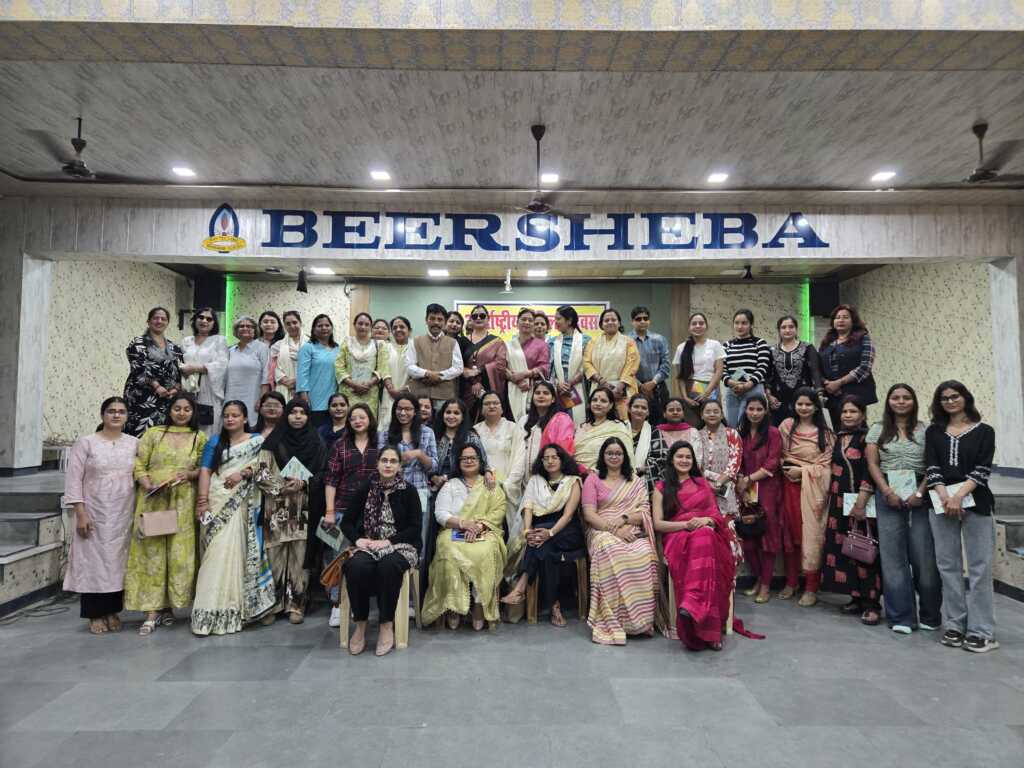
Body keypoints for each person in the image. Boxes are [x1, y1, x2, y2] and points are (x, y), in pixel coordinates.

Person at [125, 394, 207, 635]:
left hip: (183, 501)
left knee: (178, 554)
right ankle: (152, 611)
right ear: (169, 410)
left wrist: (188, 475)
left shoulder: (199, 437)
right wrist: (147, 483)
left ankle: (170, 606)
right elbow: (139, 463)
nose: (181, 413)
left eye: (187, 409)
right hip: (154, 500)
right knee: (152, 553)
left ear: (193, 412)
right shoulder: (153, 434)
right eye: (177, 408)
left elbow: (204, 468)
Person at [925, 381, 998, 653]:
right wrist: (945, 496)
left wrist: (958, 496)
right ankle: (954, 625)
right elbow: (931, 466)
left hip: (976, 503)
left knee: (980, 568)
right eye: (944, 398)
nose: (950, 401)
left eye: (954, 396)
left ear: (965, 397)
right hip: (941, 502)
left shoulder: (985, 431)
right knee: (948, 566)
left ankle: (981, 631)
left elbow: (982, 470)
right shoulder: (934, 432)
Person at [192, 401, 275, 635]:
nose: (230, 419)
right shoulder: (215, 442)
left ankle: (238, 610)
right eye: (227, 415)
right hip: (218, 501)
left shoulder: (257, 441)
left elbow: (266, 468)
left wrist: (244, 473)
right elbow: (206, 471)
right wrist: (202, 501)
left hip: (245, 504)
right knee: (215, 554)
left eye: (235, 415)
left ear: (245, 419)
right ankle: (207, 612)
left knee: (239, 554)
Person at [865, 383, 942, 635]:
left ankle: (930, 615)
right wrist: (886, 491)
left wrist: (920, 492)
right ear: (888, 401)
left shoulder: (927, 430)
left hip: (921, 493)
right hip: (888, 493)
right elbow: (873, 464)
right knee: (893, 558)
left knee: (924, 557)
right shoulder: (877, 429)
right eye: (895, 397)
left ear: (914, 401)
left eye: (906, 397)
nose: (900, 401)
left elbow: (934, 464)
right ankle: (901, 616)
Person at [63, 397, 139, 635]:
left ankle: (113, 610)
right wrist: (80, 513)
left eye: (121, 411)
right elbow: (73, 480)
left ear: (127, 416)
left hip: (124, 513)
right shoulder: (86, 443)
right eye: (111, 411)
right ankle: (94, 613)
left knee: (117, 563)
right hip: (94, 511)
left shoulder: (134, 443)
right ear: (102, 414)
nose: (116, 415)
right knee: (93, 562)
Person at [653, 441, 738, 651]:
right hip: (677, 535)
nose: (684, 460)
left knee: (705, 536)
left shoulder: (702, 484)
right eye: (679, 456)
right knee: (704, 538)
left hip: (704, 535)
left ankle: (692, 604)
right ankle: (711, 632)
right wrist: (687, 525)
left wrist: (705, 521)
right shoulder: (661, 488)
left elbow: (715, 516)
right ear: (672, 459)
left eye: (688, 457)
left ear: (693, 461)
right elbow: (658, 524)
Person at [340, 446, 423, 655]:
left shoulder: (409, 491)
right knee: (355, 566)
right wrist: (358, 540)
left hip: (401, 545)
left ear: (399, 466)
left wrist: (388, 542)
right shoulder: (365, 488)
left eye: (393, 461)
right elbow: (346, 522)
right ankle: (360, 624)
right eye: (384, 460)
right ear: (377, 464)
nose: (388, 465)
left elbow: (414, 529)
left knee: (388, 566)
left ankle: (386, 625)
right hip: (370, 544)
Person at [255, 399, 328, 625]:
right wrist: (281, 488)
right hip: (276, 507)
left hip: (304, 508)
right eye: (293, 412)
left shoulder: (317, 442)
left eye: (302, 412)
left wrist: (305, 483)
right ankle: (272, 605)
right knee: (274, 557)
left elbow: (324, 473)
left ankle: (297, 604)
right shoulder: (273, 441)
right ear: (286, 415)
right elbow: (261, 472)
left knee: (299, 557)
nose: (297, 416)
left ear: (308, 416)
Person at [421, 444, 508, 631]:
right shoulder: (450, 485)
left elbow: (499, 510)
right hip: (454, 530)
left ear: (480, 461)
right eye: (464, 458)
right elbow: (440, 513)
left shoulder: (491, 484)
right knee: (447, 547)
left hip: (484, 531)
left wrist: (478, 526)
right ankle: (453, 605)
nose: (469, 461)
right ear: (458, 462)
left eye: (473, 458)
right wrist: (463, 523)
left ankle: (479, 604)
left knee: (486, 550)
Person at [580, 436, 658, 645]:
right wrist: (614, 530)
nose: (614, 457)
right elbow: (589, 515)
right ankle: (614, 619)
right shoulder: (593, 479)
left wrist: (624, 519)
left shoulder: (635, 481)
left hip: (631, 528)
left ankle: (640, 622)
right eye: (610, 453)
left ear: (625, 456)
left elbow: (644, 511)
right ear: (603, 456)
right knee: (609, 548)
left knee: (645, 552)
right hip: (601, 529)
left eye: (618, 453)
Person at [501, 444, 585, 626]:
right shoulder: (535, 481)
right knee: (544, 549)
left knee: (541, 539)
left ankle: (521, 586)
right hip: (541, 532)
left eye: (554, 457)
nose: (550, 461)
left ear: (562, 459)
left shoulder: (573, 481)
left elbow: (568, 515)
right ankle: (555, 606)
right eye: (546, 458)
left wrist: (551, 532)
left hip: (567, 531)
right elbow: (528, 507)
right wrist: (527, 531)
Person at [820, 397, 882, 625]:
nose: (847, 415)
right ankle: (855, 597)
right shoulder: (838, 437)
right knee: (847, 550)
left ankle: (872, 604)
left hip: (861, 503)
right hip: (839, 504)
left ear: (862, 414)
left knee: (866, 551)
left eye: (853, 411)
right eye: (844, 411)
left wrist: (861, 503)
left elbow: (870, 471)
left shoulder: (868, 438)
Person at [323, 403, 379, 626]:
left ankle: (358, 605)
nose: (357, 421)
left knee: (363, 561)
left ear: (370, 419)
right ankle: (337, 605)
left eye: (362, 417)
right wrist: (329, 511)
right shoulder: (340, 445)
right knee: (338, 557)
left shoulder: (380, 444)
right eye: (353, 418)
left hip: (372, 511)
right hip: (342, 510)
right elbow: (331, 479)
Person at [779, 387, 835, 607]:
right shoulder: (786, 426)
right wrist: (789, 469)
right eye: (799, 404)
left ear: (816, 407)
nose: (803, 408)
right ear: (794, 405)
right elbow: (779, 454)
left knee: (811, 536)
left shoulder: (825, 433)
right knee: (790, 535)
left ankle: (811, 587)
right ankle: (791, 582)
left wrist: (801, 471)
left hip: (813, 491)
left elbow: (826, 467)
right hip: (787, 488)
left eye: (808, 404)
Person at [736, 395, 784, 604]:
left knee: (767, 539)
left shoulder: (773, 433)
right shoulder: (741, 433)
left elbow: (773, 462)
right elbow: (737, 462)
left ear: (765, 411)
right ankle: (757, 579)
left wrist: (749, 480)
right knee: (748, 540)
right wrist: (743, 487)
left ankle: (765, 585)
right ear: (745, 410)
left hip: (768, 490)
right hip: (745, 491)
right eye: (751, 409)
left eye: (759, 409)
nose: (754, 413)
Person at [381, 393, 438, 552]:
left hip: (419, 491)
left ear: (415, 411)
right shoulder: (385, 433)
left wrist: (419, 454)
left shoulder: (427, 433)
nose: (403, 412)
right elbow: (380, 464)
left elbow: (434, 466)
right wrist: (398, 462)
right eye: (399, 409)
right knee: (391, 539)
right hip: (391, 493)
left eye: (408, 409)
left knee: (418, 540)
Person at [123, 306, 183, 436]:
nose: (159, 321)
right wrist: (157, 387)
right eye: (156, 318)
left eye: (163, 319)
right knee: (140, 434)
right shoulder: (138, 342)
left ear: (167, 323)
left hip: (168, 398)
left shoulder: (175, 347)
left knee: (162, 435)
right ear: (148, 321)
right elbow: (139, 367)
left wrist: (176, 388)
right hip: (142, 396)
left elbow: (181, 370)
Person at [476, 392, 527, 540]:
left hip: (508, 486)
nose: (491, 406)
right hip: (483, 486)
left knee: (510, 531)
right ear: (481, 408)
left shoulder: (513, 428)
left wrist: (508, 484)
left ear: (502, 407)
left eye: (495, 403)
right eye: (487, 403)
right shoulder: (475, 430)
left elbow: (520, 458)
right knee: (485, 529)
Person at [819, 304, 877, 427]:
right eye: (837, 317)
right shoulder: (827, 342)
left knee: (856, 428)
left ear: (853, 321)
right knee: (836, 429)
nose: (841, 320)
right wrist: (827, 383)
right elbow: (817, 368)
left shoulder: (863, 338)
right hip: (831, 394)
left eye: (845, 317)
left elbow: (865, 367)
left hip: (855, 392)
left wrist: (839, 383)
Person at [689, 400, 743, 517]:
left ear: (722, 415)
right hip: (702, 486)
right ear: (702, 415)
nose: (712, 414)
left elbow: (735, 462)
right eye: (708, 412)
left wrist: (718, 483)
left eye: (715, 411)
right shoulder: (696, 435)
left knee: (728, 523)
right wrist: (706, 485)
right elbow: (693, 463)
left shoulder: (732, 433)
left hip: (726, 486)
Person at [583, 308, 640, 420]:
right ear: (601, 324)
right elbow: (586, 363)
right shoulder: (592, 343)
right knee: (600, 421)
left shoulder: (629, 342)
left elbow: (632, 363)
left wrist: (620, 386)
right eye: (606, 320)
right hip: (600, 386)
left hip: (623, 389)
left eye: (613, 320)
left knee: (624, 421)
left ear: (619, 323)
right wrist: (602, 382)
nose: (610, 322)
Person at [180, 307, 228, 436]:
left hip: (209, 389)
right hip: (188, 388)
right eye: (201, 317)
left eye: (209, 319)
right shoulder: (186, 341)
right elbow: (179, 362)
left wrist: (195, 368)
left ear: (214, 323)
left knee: (208, 427)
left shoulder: (219, 340)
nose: (204, 321)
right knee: (187, 423)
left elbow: (222, 364)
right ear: (195, 320)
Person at [767, 315, 823, 426]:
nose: (787, 330)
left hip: (804, 400)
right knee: (780, 431)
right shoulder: (772, 350)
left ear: (796, 329)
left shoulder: (807, 348)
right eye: (783, 327)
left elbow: (815, 372)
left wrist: (819, 393)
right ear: (779, 330)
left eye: (791, 327)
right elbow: (768, 375)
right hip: (779, 400)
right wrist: (769, 396)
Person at [407, 303, 464, 411]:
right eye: (432, 318)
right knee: (419, 421)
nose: (436, 322)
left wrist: (439, 376)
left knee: (442, 421)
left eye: (440, 319)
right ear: (426, 320)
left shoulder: (452, 342)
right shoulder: (415, 341)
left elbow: (459, 368)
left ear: (445, 322)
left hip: (444, 396)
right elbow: (409, 366)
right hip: (419, 395)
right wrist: (427, 373)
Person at [673, 312, 725, 428]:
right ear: (689, 327)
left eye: (701, 323)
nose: (697, 326)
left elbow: (719, 371)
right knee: (693, 426)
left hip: (711, 389)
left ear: (706, 326)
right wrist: (685, 397)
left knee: (713, 423)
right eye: (694, 323)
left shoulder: (715, 345)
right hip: (690, 392)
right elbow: (680, 377)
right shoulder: (681, 347)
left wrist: (707, 392)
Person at [722, 309, 771, 428]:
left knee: (747, 426)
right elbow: (722, 369)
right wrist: (732, 383)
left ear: (751, 325)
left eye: (744, 323)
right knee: (732, 426)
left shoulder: (760, 343)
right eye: (737, 323)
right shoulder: (727, 345)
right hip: (733, 390)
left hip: (753, 389)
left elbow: (762, 367)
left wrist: (747, 385)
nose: (740, 326)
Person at [335, 311, 387, 419]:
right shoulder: (346, 342)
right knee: (349, 420)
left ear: (371, 327)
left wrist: (368, 384)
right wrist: (354, 385)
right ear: (354, 325)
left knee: (368, 421)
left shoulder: (379, 345)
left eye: (367, 324)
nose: (363, 327)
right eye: (360, 323)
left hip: (370, 392)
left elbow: (382, 368)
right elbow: (339, 367)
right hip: (349, 391)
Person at [430, 398, 491, 490]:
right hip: (435, 487)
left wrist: (488, 473)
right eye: (448, 412)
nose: (451, 416)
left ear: (463, 417)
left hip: (464, 488)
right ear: (442, 414)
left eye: (456, 413)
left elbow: (484, 463)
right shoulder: (434, 436)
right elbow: (426, 464)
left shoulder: (471, 438)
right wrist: (434, 478)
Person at [520, 380, 577, 476]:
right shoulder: (523, 420)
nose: (541, 396)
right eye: (537, 393)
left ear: (553, 399)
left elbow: (563, 451)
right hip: (524, 476)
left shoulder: (561, 420)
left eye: (546, 393)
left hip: (550, 475)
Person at [462, 304, 509, 420]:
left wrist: (480, 372)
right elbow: (458, 365)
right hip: (466, 389)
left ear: (488, 319)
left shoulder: (497, 342)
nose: (478, 318)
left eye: (482, 316)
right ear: (471, 319)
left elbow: (500, 365)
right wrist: (472, 381)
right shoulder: (462, 341)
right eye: (475, 316)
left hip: (489, 388)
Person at [224, 315, 271, 430]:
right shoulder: (230, 350)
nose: (245, 328)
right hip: (231, 396)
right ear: (236, 330)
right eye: (241, 326)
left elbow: (266, 375)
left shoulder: (262, 348)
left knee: (250, 429)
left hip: (252, 398)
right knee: (231, 428)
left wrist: (262, 399)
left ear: (255, 330)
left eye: (249, 326)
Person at [575, 386, 635, 474]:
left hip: (605, 477)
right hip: (578, 476)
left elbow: (627, 456)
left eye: (603, 401)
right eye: (594, 400)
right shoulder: (580, 427)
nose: (598, 403)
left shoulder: (618, 427)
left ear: (611, 405)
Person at [296, 313, 340, 428]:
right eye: (320, 326)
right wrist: (304, 396)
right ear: (314, 329)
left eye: (327, 325)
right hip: (314, 399)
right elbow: (302, 374)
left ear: (331, 328)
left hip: (334, 400)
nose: (324, 328)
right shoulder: (308, 347)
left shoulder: (337, 348)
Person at [506, 308, 551, 422]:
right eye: (523, 319)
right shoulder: (508, 345)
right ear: (517, 322)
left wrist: (525, 374)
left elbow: (544, 368)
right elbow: (502, 366)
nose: (527, 322)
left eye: (530, 320)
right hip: (511, 390)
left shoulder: (541, 345)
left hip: (531, 390)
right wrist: (515, 380)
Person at [628, 306, 671, 424]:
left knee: (660, 422)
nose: (642, 321)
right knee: (637, 422)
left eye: (645, 318)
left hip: (658, 387)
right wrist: (640, 385)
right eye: (638, 319)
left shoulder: (660, 339)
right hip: (634, 387)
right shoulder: (626, 341)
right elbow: (624, 367)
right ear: (632, 322)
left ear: (649, 321)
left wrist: (653, 383)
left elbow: (666, 365)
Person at [550, 305, 590, 425]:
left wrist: (573, 381)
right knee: (559, 423)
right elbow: (550, 369)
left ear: (569, 320)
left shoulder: (585, 340)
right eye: (555, 319)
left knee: (576, 422)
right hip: (559, 389)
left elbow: (588, 365)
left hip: (578, 386)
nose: (556, 322)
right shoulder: (552, 342)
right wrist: (558, 383)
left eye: (559, 319)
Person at [627, 393, 668, 496]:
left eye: (643, 408)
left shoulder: (654, 432)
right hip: (620, 480)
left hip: (647, 482)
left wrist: (642, 469)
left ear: (648, 412)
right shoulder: (620, 429)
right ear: (629, 409)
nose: (639, 410)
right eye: (636, 406)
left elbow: (663, 459)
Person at [379, 315, 412, 426]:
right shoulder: (385, 347)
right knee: (386, 423)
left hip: (408, 392)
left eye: (402, 327)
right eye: (395, 327)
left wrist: (404, 389)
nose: (398, 330)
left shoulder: (415, 347)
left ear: (409, 331)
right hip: (388, 393)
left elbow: (417, 370)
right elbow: (383, 369)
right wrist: (392, 390)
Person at [272, 310, 303, 400]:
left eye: (294, 322)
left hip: (305, 387)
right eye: (288, 324)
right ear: (284, 326)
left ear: (300, 323)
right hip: (284, 385)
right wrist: (286, 381)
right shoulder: (277, 345)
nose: (292, 326)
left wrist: (298, 382)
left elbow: (315, 366)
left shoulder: (310, 343)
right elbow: (272, 367)